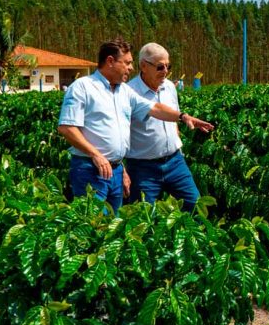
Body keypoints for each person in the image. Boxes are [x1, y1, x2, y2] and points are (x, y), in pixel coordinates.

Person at [57, 37, 213, 214]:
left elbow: (154, 108)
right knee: (94, 226)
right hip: (91, 169)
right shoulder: (83, 87)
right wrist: (96, 155)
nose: (131, 68)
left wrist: (183, 117)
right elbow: (66, 127)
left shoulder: (124, 91)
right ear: (110, 61)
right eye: (127, 63)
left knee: (114, 226)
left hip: (114, 171)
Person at [125, 43, 203, 212]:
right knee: (142, 217)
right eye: (160, 67)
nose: (166, 71)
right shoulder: (129, 92)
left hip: (175, 162)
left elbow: (173, 116)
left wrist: (177, 140)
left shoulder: (169, 87)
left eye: (168, 66)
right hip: (142, 168)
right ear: (143, 66)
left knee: (196, 206)